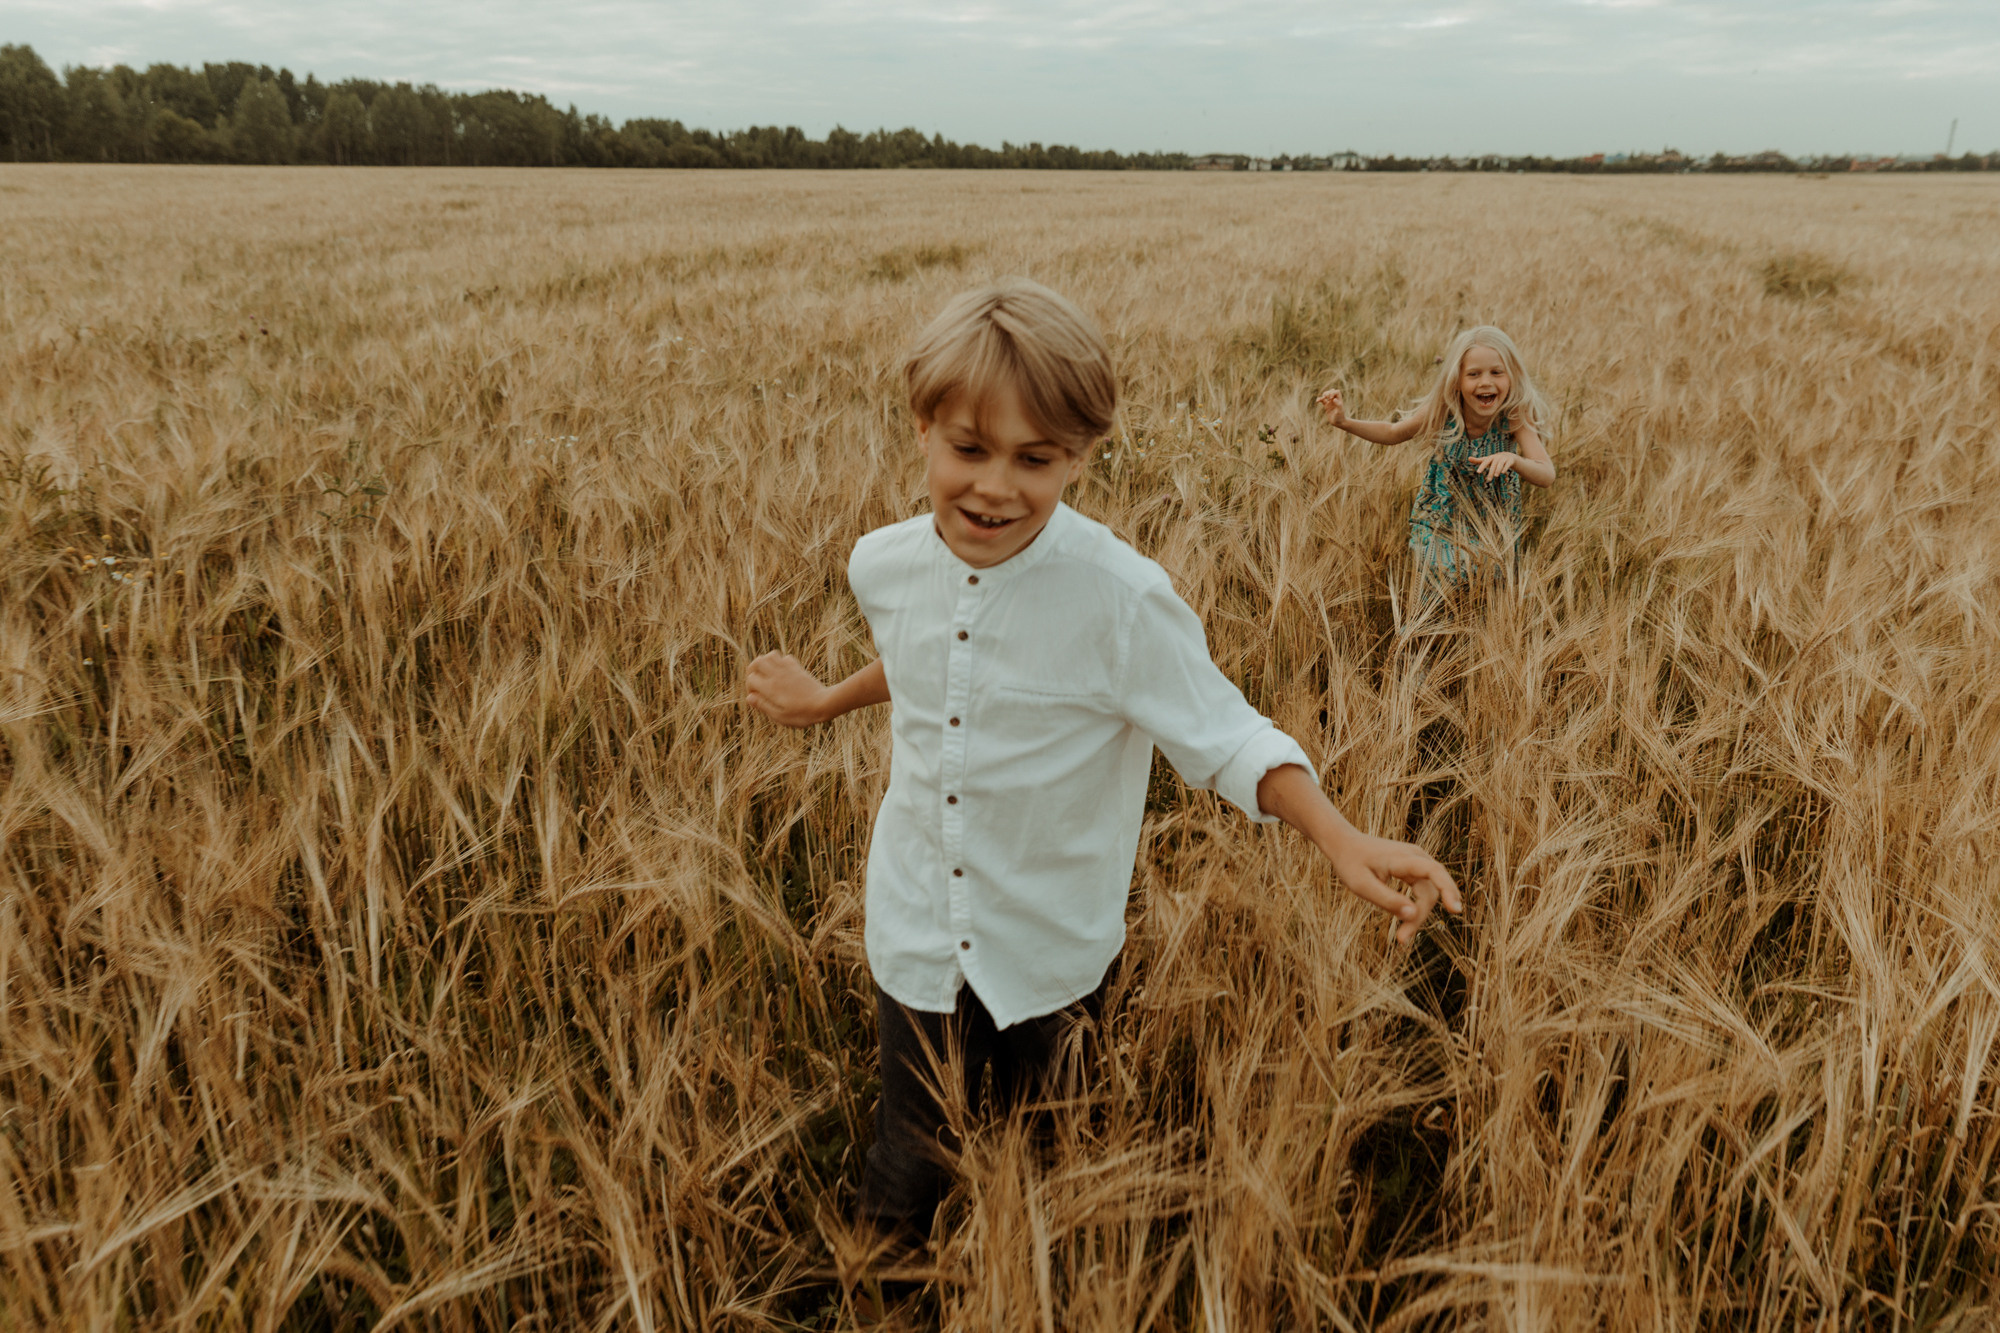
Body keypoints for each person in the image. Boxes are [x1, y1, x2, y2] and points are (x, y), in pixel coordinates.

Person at [745, 277, 1463, 1247]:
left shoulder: (1118, 598)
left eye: (1033, 459)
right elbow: (932, 661)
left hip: (1051, 945)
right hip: (914, 924)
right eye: (967, 448)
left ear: (1078, 456)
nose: (995, 486)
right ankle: (884, 1292)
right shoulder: (881, 564)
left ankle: (1043, 1275)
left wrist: (1336, 836)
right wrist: (825, 699)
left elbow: (1223, 728)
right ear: (921, 428)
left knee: (1054, 1148)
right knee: (906, 1157)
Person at [1318, 326, 1555, 587]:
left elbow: (1546, 475)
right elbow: (1393, 432)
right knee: (1436, 588)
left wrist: (1515, 460)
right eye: (1473, 374)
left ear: (1512, 376)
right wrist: (1344, 421)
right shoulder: (1444, 410)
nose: (1486, 382)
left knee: (1486, 592)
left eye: (1496, 372)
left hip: (1493, 526)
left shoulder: (1514, 415)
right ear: (1457, 380)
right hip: (1440, 519)